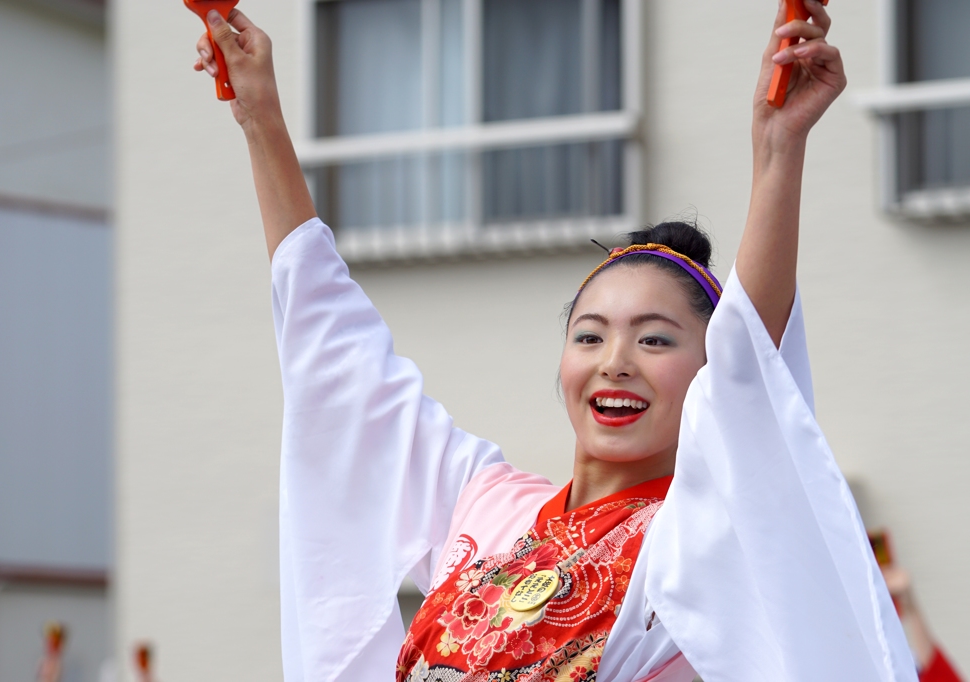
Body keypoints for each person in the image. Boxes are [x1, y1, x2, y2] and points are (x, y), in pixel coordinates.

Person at [193, 1, 920, 680]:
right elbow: (341, 359)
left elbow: (750, 368)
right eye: (591, 334)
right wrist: (261, 118)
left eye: (656, 341)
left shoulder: (702, 537)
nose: (615, 363)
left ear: (709, 374)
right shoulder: (488, 506)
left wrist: (777, 151)